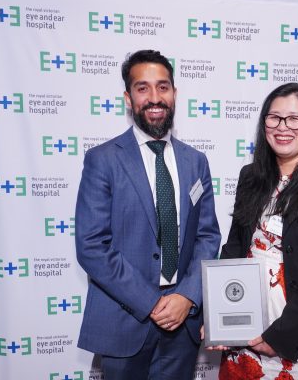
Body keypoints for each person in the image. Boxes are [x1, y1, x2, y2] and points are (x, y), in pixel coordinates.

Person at [75, 49, 221, 379]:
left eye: (163, 87)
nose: (155, 98)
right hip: (125, 320)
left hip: (182, 325)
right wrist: (151, 303)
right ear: (128, 98)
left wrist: (187, 295)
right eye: (143, 88)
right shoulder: (103, 159)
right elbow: (92, 246)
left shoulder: (195, 161)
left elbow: (207, 236)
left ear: (174, 93)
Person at [217, 83, 298, 379]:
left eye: (295, 119)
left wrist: (281, 336)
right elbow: (235, 247)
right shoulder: (250, 176)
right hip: (245, 320)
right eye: (274, 117)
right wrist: (219, 315)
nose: (283, 127)